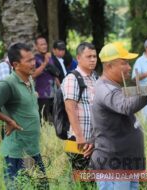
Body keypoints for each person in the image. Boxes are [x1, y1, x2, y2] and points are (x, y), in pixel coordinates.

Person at [90, 42, 147, 190]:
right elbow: (126, 106)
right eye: (124, 63)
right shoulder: (106, 89)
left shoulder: (112, 86)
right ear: (109, 66)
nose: (129, 68)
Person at [0, 43, 48, 189]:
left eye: (33, 59)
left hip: (32, 150)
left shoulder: (29, 79)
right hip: (17, 153)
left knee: (42, 187)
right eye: (29, 61)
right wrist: (8, 120)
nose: (34, 63)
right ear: (16, 64)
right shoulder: (8, 83)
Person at [61, 42, 97, 170]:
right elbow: (70, 108)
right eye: (89, 57)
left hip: (93, 141)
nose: (93, 60)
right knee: (80, 180)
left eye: (94, 56)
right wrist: (80, 137)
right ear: (78, 58)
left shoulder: (94, 78)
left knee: (93, 181)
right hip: (78, 139)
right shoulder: (72, 78)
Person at [33, 36, 58, 123]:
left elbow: (54, 75)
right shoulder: (34, 59)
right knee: (43, 120)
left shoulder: (50, 57)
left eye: (45, 44)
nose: (44, 46)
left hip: (53, 94)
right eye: (41, 44)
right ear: (36, 47)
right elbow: (33, 74)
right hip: (41, 95)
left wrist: (61, 89)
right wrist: (45, 63)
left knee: (54, 120)